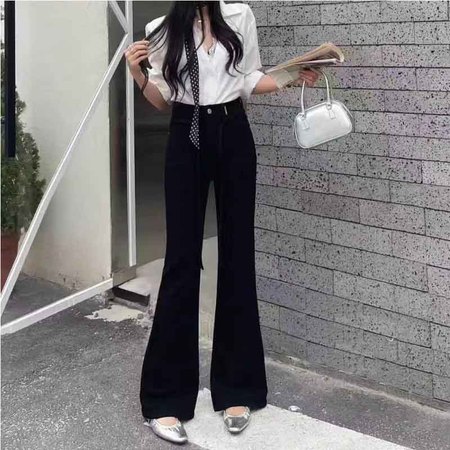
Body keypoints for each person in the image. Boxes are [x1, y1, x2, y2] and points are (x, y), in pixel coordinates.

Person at [125, 0, 319, 444]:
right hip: (186, 134)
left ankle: (238, 389)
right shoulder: (161, 28)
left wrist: (293, 76)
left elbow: (249, 79)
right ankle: (165, 398)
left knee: (237, 257)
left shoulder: (239, 16)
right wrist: (138, 73)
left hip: (232, 133)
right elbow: (162, 99)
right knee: (181, 262)